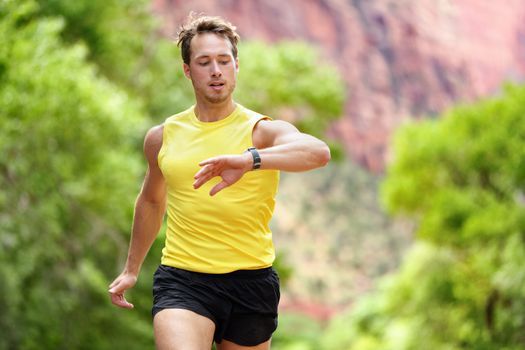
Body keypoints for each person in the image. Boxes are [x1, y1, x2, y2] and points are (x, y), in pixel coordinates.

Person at [108, 13, 331, 350]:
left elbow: (318, 152)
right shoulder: (163, 137)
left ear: (236, 65)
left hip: (252, 281)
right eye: (204, 62)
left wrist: (251, 160)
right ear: (187, 70)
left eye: (224, 61)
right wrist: (131, 268)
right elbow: (152, 200)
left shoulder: (261, 130)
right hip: (183, 279)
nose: (216, 70)